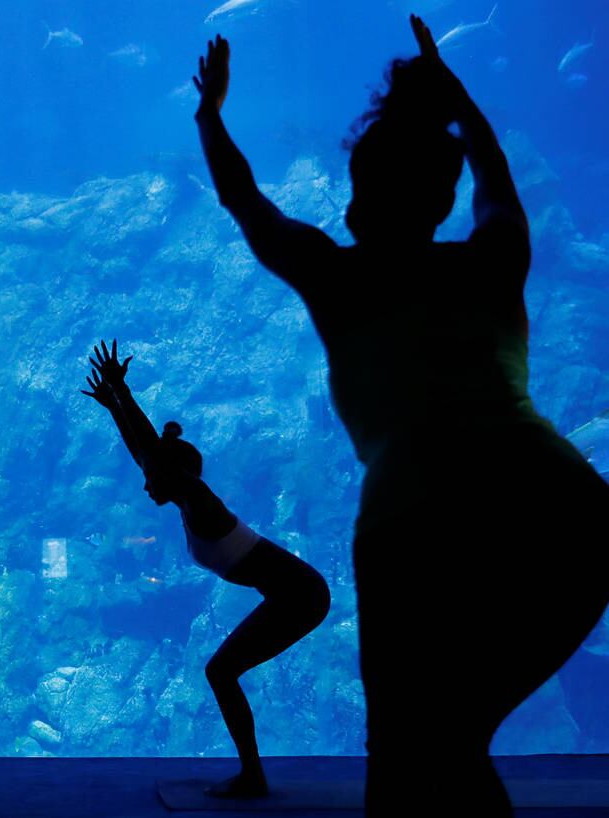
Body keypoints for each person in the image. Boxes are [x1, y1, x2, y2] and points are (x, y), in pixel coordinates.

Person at [193, 16, 608, 816]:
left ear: (361, 198)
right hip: (565, 515)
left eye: (355, 187)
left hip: (412, 523)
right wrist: (459, 102)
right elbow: (497, 183)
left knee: (404, 753)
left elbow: (245, 200)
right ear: (443, 197)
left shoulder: (336, 276)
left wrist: (211, 114)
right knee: (453, 739)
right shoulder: (495, 260)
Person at [83, 340, 329, 798]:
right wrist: (113, 404)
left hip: (303, 596)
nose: (145, 484)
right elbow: (146, 454)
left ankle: (253, 778)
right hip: (290, 594)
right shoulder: (186, 500)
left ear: (179, 476)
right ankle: (252, 775)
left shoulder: (203, 505)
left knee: (220, 672)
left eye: (155, 477)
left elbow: (155, 457)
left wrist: (124, 390)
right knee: (222, 671)